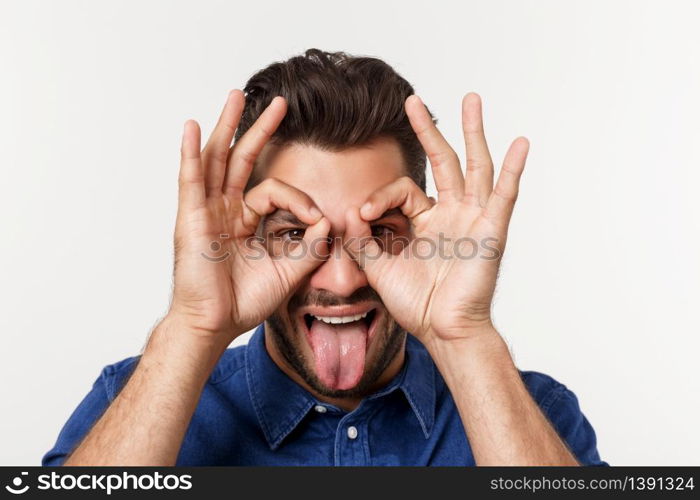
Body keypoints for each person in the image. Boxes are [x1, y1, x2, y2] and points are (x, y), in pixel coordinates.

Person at [43, 48, 605, 466]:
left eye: (379, 232)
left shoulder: (538, 416)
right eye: (295, 235)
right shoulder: (132, 401)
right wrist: (193, 325)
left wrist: (464, 335)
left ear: (422, 234)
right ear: (249, 238)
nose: (341, 280)